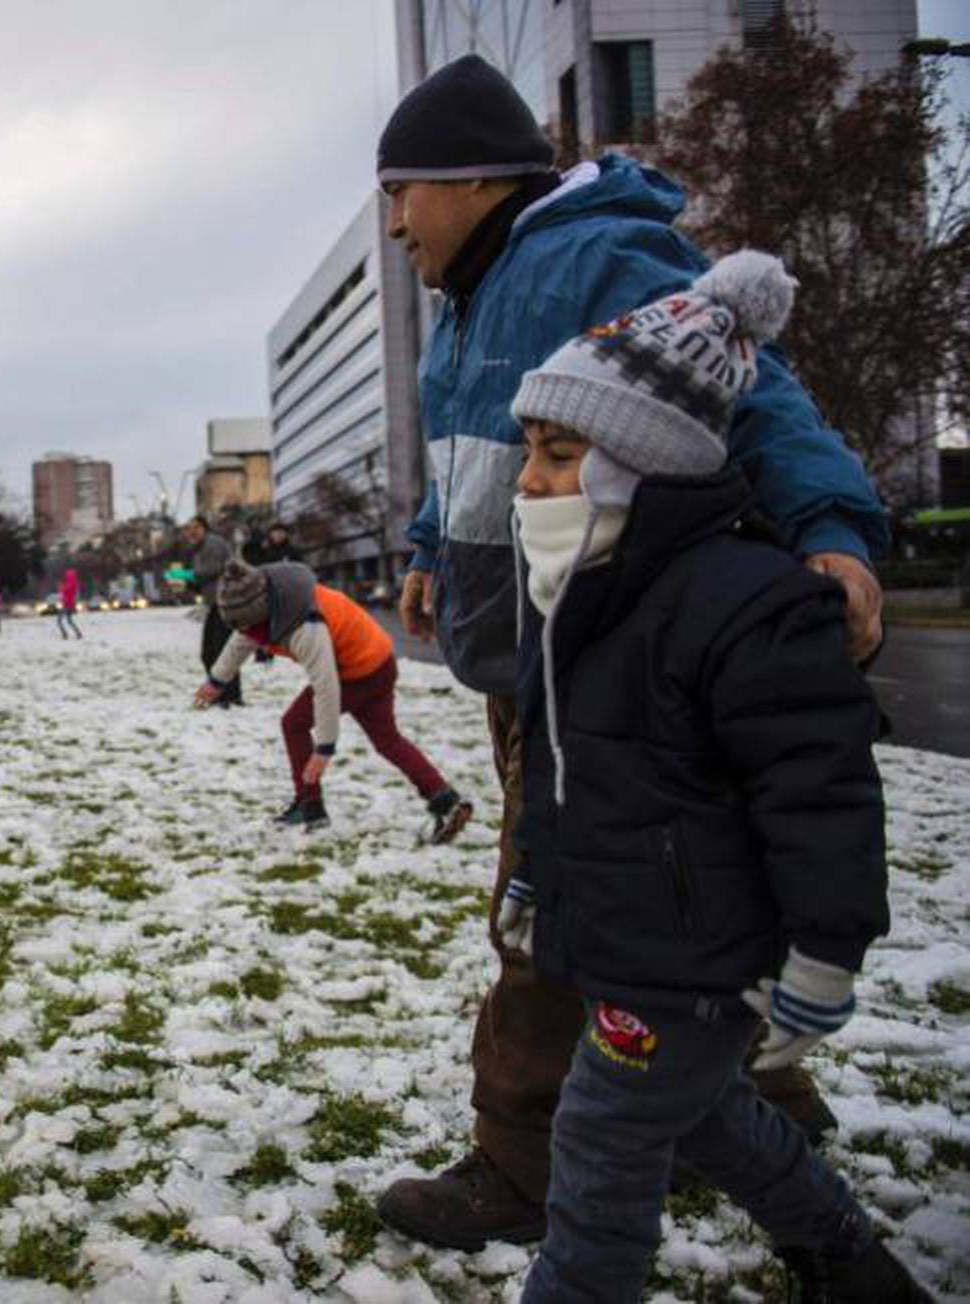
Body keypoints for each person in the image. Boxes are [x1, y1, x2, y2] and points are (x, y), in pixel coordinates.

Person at [370, 55, 889, 1249]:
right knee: (657, 890)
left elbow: (754, 393)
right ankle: (760, 1104)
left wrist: (830, 530)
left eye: (402, 190)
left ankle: (521, 1161)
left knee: (552, 912)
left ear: (473, 179)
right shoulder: (474, 292)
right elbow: (470, 454)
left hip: (605, 664)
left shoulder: (588, 258)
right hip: (539, 659)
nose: (394, 222)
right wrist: (427, 545)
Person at [500, 252, 922, 1301]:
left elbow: (820, 796)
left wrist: (824, 954)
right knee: (702, 1113)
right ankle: (844, 1256)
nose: (528, 479)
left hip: (697, 958)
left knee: (600, 1150)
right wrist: (533, 883)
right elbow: (564, 775)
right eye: (529, 451)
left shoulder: (748, 601)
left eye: (559, 452)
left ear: (644, 461)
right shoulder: (585, 593)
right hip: (632, 935)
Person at [195, 560, 471, 842]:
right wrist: (218, 679)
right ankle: (444, 798)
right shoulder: (270, 601)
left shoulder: (306, 626)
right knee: (388, 740)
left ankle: (309, 805)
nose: (246, 634)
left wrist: (324, 749)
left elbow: (326, 687)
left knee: (294, 723)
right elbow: (243, 639)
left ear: (260, 613)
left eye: (248, 627)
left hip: (359, 671)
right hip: (379, 660)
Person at [181, 516, 243, 706]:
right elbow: (205, 581)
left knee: (221, 652)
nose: (192, 531)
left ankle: (230, 695)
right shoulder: (198, 550)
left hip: (226, 603)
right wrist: (189, 583)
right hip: (215, 603)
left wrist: (186, 574)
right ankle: (221, 692)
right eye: (188, 528)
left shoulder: (212, 544)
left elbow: (212, 570)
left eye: (196, 527)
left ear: (205, 529)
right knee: (210, 653)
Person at [56, 568, 83, 640]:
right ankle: (78, 633)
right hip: (70, 605)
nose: (65, 577)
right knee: (69, 621)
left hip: (67, 605)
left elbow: (65, 591)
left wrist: (61, 587)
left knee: (59, 621)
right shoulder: (74, 584)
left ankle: (65, 634)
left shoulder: (70, 584)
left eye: (66, 576)